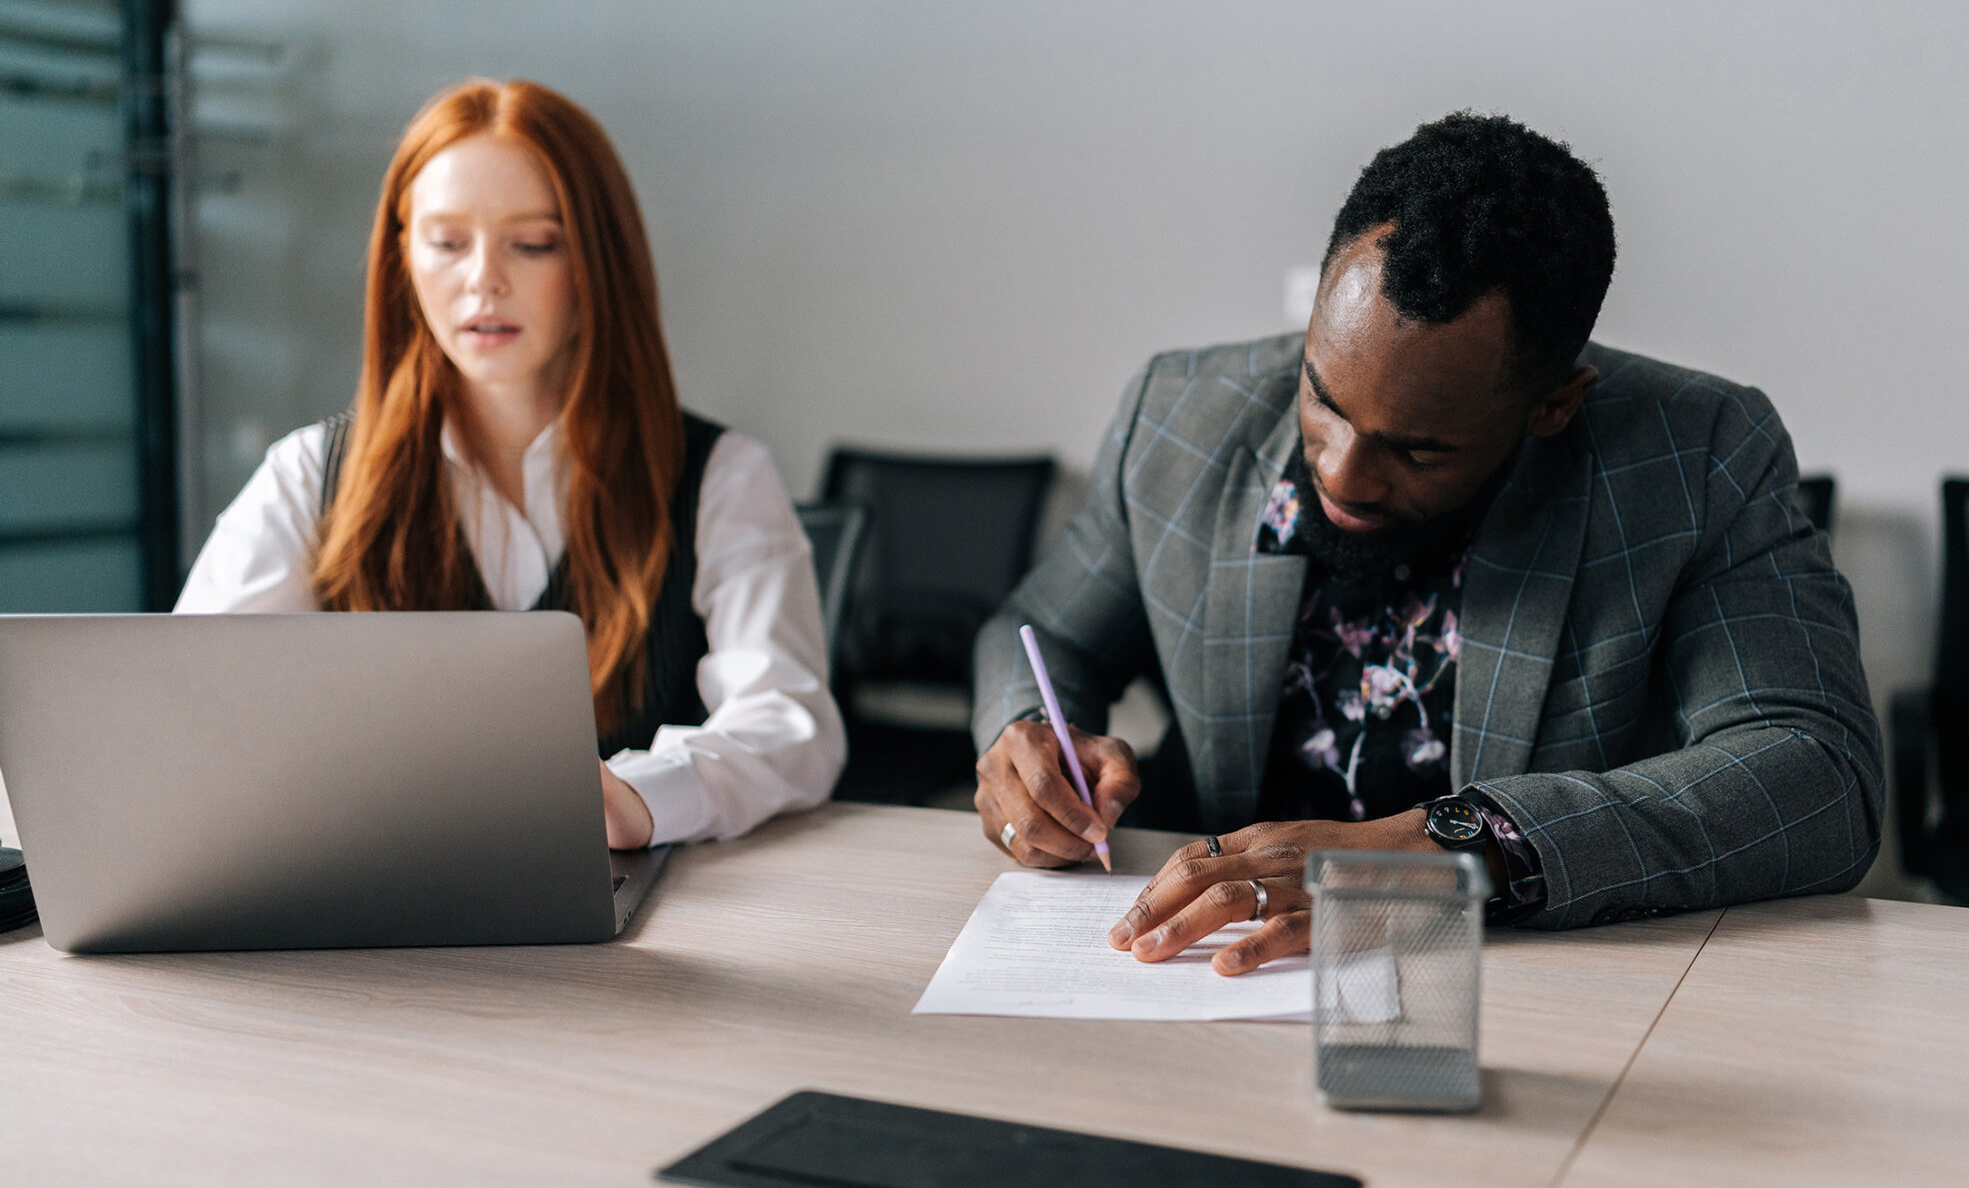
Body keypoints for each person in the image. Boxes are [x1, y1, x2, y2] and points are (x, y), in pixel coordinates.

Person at [971, 112, 1882, 970]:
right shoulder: (1179, 414)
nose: (1341, 474)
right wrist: (1028, 741)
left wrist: (1443, 848)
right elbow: (1045, 630)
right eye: (1322, 399)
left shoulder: (1694, 457)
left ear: (1552, 406)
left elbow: (1817, 776)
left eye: (1417, 449)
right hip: (1195, 971)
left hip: (1514, 987)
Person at [178, 79, 843, 849]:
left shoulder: (721, 477)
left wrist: (637, 796)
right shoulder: (310, 475)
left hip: (637, 924)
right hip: (372, 900)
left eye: (533, 244)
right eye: (447, 242)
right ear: (402, 257)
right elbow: (197, 708)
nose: (484, 280)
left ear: (598, 262)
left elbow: (790, 725)